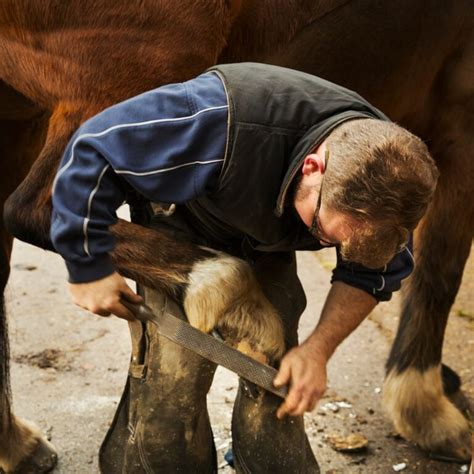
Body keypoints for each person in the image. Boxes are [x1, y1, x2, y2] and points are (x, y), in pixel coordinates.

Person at [50, 62, 438, 473]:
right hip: (185, 220)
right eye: (324, 233)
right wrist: (86, 261)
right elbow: (94, 146)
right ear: (313, 168)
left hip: (263, 234)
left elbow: (370, 275)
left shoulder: (393, 188)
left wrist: (318, 350)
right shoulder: (218, 120)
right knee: (174, 384)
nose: (333, 246)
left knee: (277, 375)